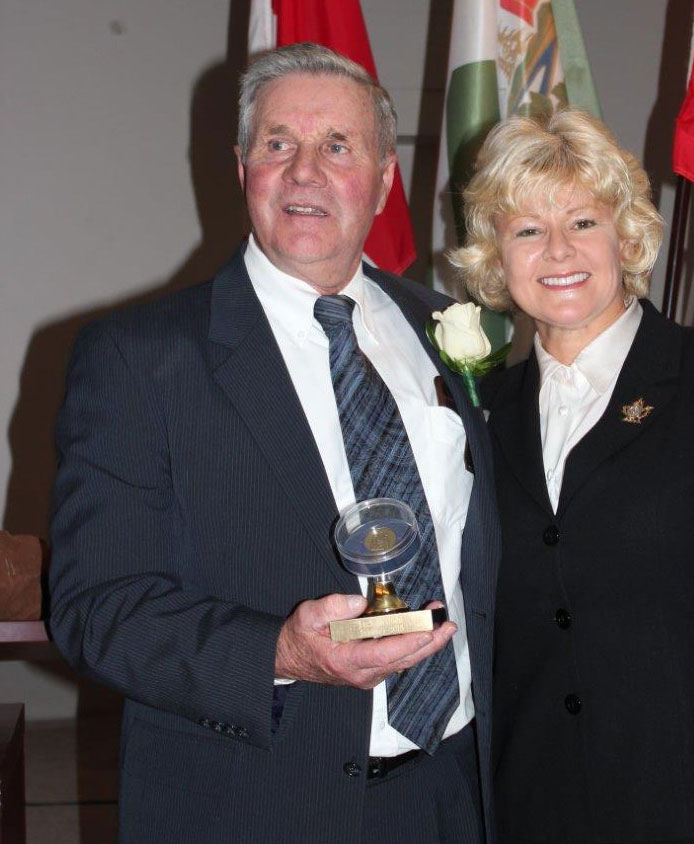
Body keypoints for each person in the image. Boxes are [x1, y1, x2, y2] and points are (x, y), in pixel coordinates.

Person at [49, 44, 500, 844]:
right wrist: (282, 652)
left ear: (385, 180)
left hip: (454, 797)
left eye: (338, 146)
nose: (304, 172)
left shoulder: (449, 336)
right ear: (241, 167)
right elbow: (96, 608)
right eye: (277, 144)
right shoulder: (138, 357)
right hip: (248, 804)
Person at [450, 107, 694, 844]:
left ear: (626, 235)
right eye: (527, 230)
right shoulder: (477, 418)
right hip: (530, 816)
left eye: (582, 222)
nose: (557, 250)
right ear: (495, 258)